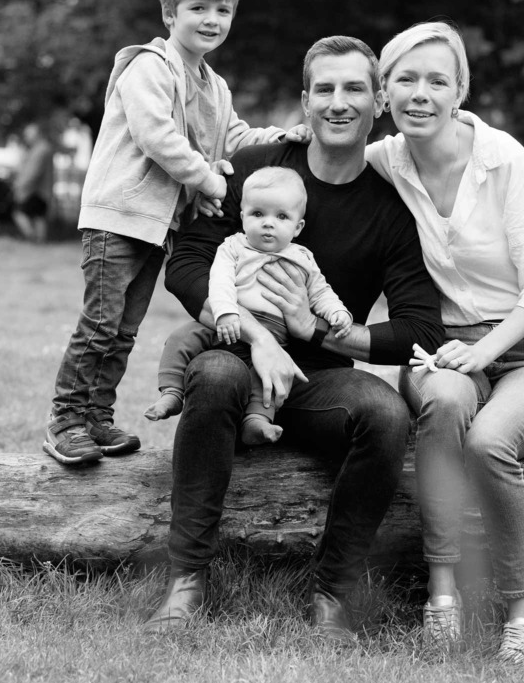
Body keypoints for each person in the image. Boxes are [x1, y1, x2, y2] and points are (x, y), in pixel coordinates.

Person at [145, 35, 444, 640]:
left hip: (319, 378)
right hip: (233, 352)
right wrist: (258, 336)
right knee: (217, 374)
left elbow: (420, 330)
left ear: (379, 101)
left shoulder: (390, 209)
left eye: (354, 88)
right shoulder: (254, 173)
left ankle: (333, 593)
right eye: (325, 90)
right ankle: (187, 581)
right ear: (305, 101)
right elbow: (187, 264)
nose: (339, 103)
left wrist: (318, 334)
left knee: (384, 415)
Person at [365, 21, 524, 668]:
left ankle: (521, 616)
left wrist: (486, 353)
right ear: (385, 92)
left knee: (490, 441)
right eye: (406, 79)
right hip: (439, 348)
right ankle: (443, 598)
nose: (421, 93)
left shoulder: (504, 161)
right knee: (448, 407)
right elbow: (317, 148)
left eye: (438, 80)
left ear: (460, 91)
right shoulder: (385, 162)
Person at [43, 0, 304, 466]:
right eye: (198, 8)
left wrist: (281, 136)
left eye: (223, 11)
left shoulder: (215, 86)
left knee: (123, 328)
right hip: (118, 215)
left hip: (156, 226)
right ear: (170, 15)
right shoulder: (149, 66)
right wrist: (208, 182)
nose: (212, 20)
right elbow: (156, 135)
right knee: (100, 322)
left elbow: (233, 137)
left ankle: (98, 417)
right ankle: (66, 420)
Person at [144, 165, 353, 445]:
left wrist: (337, 312)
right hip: (228, 322)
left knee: (269, 375)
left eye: (281, 216)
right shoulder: (233, 247)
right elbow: (218, 280)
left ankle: (257, 421)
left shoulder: (302, 257)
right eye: (258, 214)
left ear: (298, 226)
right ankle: (171, 392)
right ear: (242, 217)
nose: (268, 223)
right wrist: (226, 311)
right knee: (182, 337)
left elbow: (320, 292)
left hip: (276, 336)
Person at [11, 119, 57, 243]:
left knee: (19, 213)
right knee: (39, 217)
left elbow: (33, 172)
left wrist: (19, 185)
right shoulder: (41, 148)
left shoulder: (40, 150)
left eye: (28, 134)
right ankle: (39, 241)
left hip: (36, 190)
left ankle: (31, 237)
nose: (26, 137)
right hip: (43, 191)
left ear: (36, 134)